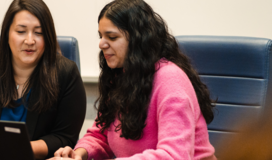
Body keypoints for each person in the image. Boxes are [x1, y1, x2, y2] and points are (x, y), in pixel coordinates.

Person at [50, 0, 216, 160]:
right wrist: (79, 153)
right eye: (101, 36)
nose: (101, 44)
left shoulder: (170, 80)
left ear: (138, 40)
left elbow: (174, 156)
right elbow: (100, 135)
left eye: (112, 37)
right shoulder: (120, 76)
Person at [0, 0, 87, 159]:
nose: (30, 41)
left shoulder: (66, 74)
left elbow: (64, 137)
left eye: (39, 33)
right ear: (7, 34)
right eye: (21, 31)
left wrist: (13, 149)